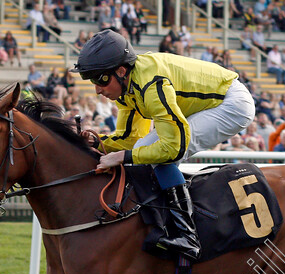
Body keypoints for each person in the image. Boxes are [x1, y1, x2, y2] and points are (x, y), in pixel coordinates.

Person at [71, 30, 255, 260]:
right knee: (146, 147)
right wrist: (98, 143)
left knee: (157, 152)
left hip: (231, 103)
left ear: (121, 71)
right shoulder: (127, 88)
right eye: (92, 81)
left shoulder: (151, 84)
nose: (97, 89)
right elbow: (130, 138)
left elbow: (172, 148)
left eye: (101, 79)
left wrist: (123, 157)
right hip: (207, 103)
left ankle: (187, 236)